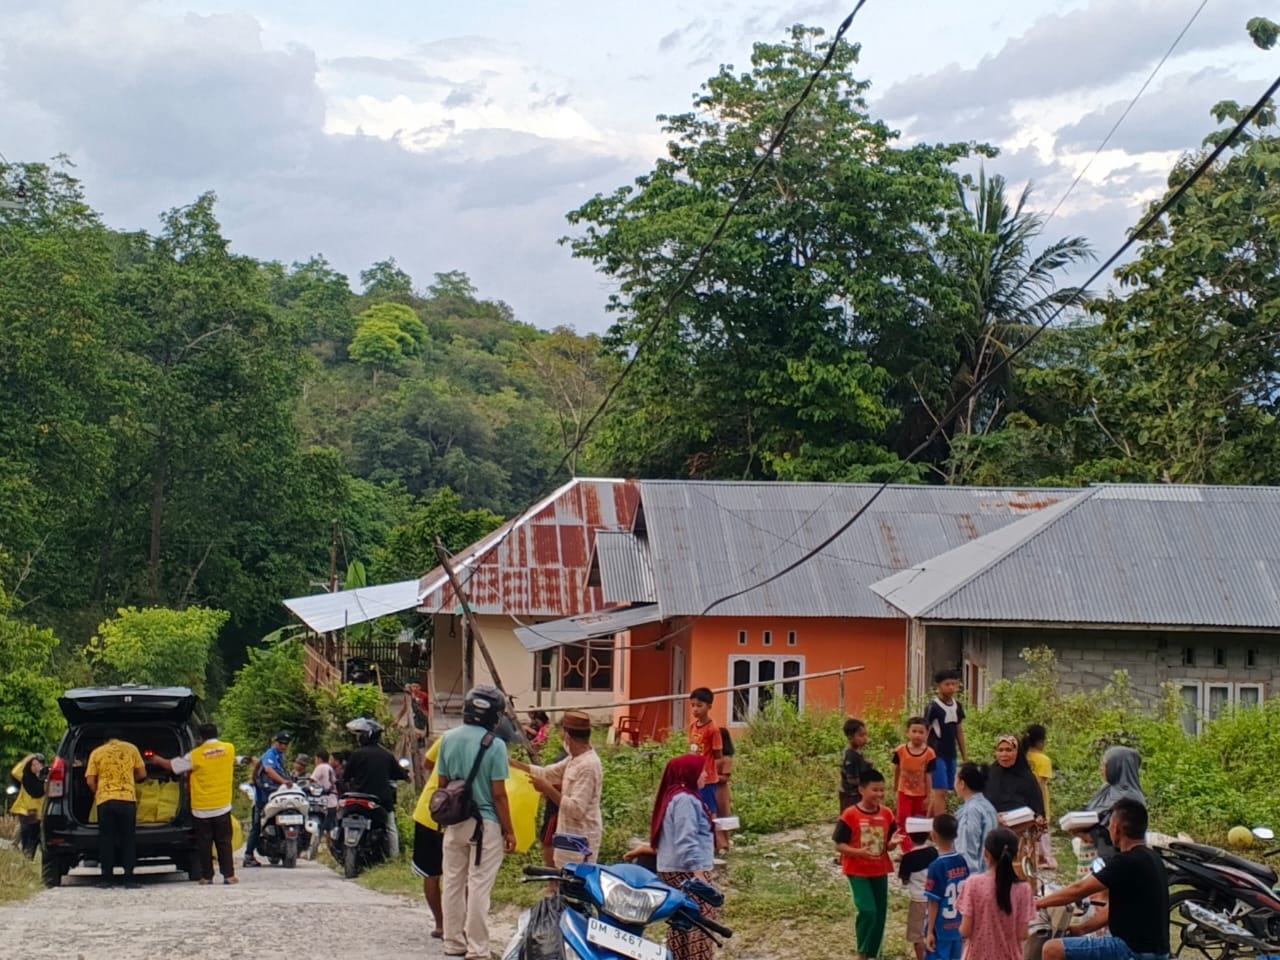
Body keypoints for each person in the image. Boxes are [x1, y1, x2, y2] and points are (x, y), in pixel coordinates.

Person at [437, 684, 517, 960]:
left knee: (453, 883)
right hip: (486, 825)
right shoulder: (495, 745)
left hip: (455, 822)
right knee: (479, 886)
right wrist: (510, 831)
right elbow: (499, 795)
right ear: (494, 715)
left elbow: (442, 784)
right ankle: (478, 949)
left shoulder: (448, 738)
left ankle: (453, 942)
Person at [1037, 798, 1169, 960]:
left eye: (1110, 824)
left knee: (1052, 949)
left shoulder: (1125, 861)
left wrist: (1037, 903)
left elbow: (1079, 890)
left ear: (1116, 828)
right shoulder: (1153, 858)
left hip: (1131, 950)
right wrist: (1081, 929)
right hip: (1157, 951)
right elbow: (1112, 910)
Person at [624, 755, 721, 960]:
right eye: (702, 771)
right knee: (700, 922)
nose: (705, 775)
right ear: (689, 773)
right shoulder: (685, 800)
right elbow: (686, 839)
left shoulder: (676, 797)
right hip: (687, 870)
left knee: (682, 921)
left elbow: (672, 838)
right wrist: (698, 874)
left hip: (676, 868)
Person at [151, 722, 238, 885]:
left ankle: (207, 876)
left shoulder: (195, 755)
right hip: (222, 805)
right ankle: (229, 875)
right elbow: (237, 761)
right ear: (216, 733)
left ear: (200, 738)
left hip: (201, 808)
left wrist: (156, 759)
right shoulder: (229, 748)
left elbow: (172, 766)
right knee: (224, 841)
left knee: (204, 843)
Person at [512, 710, 602, 865]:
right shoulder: (574, 759)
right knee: (562, 873)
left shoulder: (588, 766)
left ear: (567, 735)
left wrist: (547, 789)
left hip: (581, 842)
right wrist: (512, 764)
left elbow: (576, 810)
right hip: (567, 837)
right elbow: (547, 773)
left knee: (574, 878)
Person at [833, 769, 903, 960]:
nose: (879, 794)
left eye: (882, 790)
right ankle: (862, 952)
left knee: (880, 913)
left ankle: (874, 953)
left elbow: (888, 845)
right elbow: (839, 845)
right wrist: (859, 853)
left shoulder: (887, 814)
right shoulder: (850, 815)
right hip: (857, 871)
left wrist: (892, 844)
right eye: (875, 790)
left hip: (879, 869)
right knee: (867, 910)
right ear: (862, 790)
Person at [956, 827, 1036, 960]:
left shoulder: (973, 884)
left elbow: (965, 930)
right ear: (1016, 855)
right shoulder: (1024, 889)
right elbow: (1023, 934)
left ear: (986, 854)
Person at [85, 729, 147, 888]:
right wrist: (129, 780)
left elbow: (90, 781)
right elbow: (142, 774)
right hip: (127, 799)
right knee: (128, 839)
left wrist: (98, 793)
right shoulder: (131, 749)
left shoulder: (97, 752)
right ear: (121, 738)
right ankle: (129, 879)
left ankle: (107, 879)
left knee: (107, 839)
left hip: (105, 800)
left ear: (105, 740)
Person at [343, 717, 410, 858]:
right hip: (381, 799)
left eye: (361, 734)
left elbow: (346, 776)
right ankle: (394, 858)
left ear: (367, 735)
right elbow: (399, 773)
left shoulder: (356, 754)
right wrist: (405, 775)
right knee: (390, 827)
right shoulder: (386, 755)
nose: (359, 738)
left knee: (342, 816)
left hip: (357, 796)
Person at [410, 736, 446, 939]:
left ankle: (441, 924)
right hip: (461, 816)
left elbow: (427, 763)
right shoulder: (491, 744)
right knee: (460, 877)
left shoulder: (447, 738)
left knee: (431, 874)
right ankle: (458, 926)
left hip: (431, 809)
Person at [687, 687, 727, 854]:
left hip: (708, 778)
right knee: (694, 809)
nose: (695, 709)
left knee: (710, 811)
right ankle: (698, 841)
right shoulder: (692, 726)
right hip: (694, 776)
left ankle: (717, 843)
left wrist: (713, 774)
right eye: (693, 705)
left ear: (709, 706)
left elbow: (718, 756)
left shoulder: (713, 730)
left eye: (699, 705)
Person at [924, 814, 969, 960]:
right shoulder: (962, 861)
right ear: (956, 835)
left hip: (941, 929)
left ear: (934, 835)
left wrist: (929, 931)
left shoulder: (936, 866)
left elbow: (933, 902)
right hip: (958, 927)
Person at [244, 731, 292, 867]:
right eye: (281, 743)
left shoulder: (280, 756)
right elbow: (269, 770)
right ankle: (248, 855)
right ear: (275, 742)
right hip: (263, 798)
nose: (283, 746)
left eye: (286, 744)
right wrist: (283, 781)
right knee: (257, 826)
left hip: (275, 796)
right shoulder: (270, 754)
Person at [925, 670, 967, 817]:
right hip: (936, 754)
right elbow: (926, 730)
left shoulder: (957, 706)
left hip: (951, 753)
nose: (951, 688)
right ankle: (940, 825)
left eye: (954, 684)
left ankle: (928, 822)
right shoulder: (933, 707)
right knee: (940, 790)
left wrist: (965, 756)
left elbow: (959, 731)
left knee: (945, 791)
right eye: (947, 684)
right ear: (938, 686)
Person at [893, 717, 937, 852]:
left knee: (919, 822)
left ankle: (918, 849)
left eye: (921, 732)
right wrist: (895, 786)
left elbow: (928, 775)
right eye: (914, 731)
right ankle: (907, 851)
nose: (917, 735)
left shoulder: (929, 753)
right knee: (903, 821)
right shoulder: (900, 751)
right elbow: (897, 769)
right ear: (907, 732)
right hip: (904, 791)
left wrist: (928, 796)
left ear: (927, 734)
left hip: (921, 794)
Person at [899, 824, 939, 960]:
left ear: (910, 837)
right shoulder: (933, 852)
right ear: (928, 835)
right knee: (934, 931)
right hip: (934, 898)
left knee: (918, 935)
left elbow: (904, 880)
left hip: (918, 900)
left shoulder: (908, 857)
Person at [985, 735, 1046, 818]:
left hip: (1021, 824)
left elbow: (1037, 810)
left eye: (1009, 750)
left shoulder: (1027, 779)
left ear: (1017, 752)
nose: (1004, 754)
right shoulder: (990, 775)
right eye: (1000, 750)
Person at [954, 763, 998, 875]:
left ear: (962, 784)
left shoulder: (971, 810)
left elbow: (967, 847)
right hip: (989, 870)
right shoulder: (988, 806)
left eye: (955, 779)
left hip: (975, 873)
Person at [1022, 724, 1056, 870]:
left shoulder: (1023, 757)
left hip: (1024, 799)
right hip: (1038, 799)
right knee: (1042, 828)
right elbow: (1041, 785)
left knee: (1027, 828)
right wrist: (1041, 807)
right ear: (1040, 742)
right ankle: (1044, 858)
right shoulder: (1044, 760)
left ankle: (1029, 856)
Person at [8, 753, 45, 860]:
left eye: (37, 764)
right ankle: (24, 854)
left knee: (35, 837)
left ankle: (29, 857)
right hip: (25, 809)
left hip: (38, 812)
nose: (35, 767)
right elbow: (15, 772)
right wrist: (27, 759)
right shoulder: (26, 776)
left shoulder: (45, 777)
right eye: (32, 765)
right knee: (25, 831)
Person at [840, 718, 873, 813]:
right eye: (861, 735)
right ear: (850, 738)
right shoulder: (851, 755)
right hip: (851, 795)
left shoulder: (858, 752)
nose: (865, 738)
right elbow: (852, 780)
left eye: (866, 735)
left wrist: (867, 765)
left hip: (858, 794)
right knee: (852, 817)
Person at [310, 749, 338, 835]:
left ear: (319, 759)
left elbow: (312, 781)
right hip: (333, 800)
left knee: (321, 826)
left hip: (323, 801)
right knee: (330, 827)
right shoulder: (330, 768)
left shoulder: (320, 767)